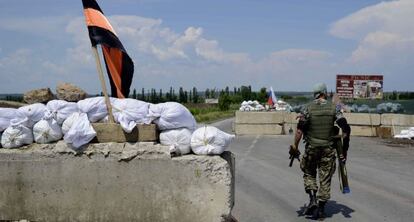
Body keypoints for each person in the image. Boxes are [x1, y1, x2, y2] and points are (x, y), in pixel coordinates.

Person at [289, 83, 350, 220]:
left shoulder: (307, 108)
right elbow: (346, 128)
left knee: (309, 172)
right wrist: (344, 150)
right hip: (328, 150)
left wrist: (295, 146)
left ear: (315, 94)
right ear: (325, 92)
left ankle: (312, 199)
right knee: (325, 178)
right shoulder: (334, 108)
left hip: (312, 149)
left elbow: (299, 130)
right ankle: (321, 210)